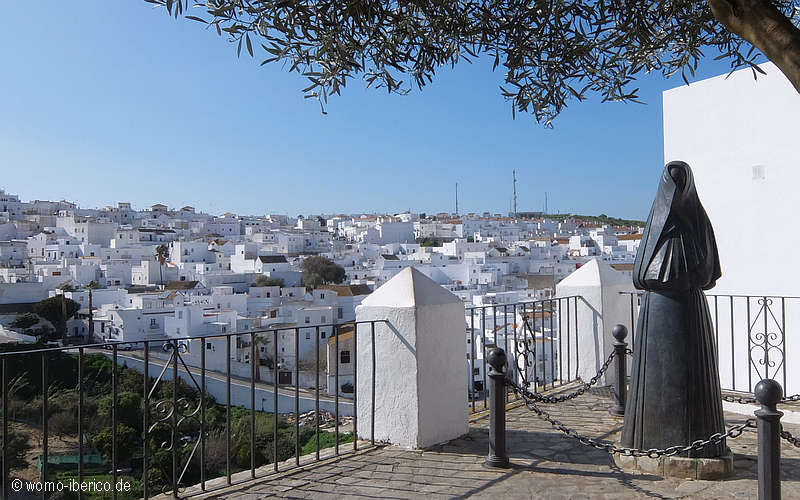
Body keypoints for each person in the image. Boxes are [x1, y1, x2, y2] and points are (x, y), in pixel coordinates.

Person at [621, 161, 726, 458]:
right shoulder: (678, 223)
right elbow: (643, 274)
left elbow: (705, 274)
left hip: (683, 311)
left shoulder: (692, 223)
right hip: (662, 311)